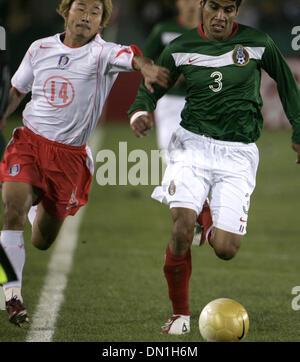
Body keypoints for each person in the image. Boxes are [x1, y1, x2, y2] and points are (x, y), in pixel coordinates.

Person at [128, 0, 300, 335]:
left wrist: (299, 128)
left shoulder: (258, 42)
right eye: (214, 8)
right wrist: (140, 112)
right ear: (204, 6)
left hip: (238, 153)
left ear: (238, 11)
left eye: (229, 10)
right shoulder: (179, 46)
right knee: (181, 228)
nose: (221, 16)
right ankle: (180, 315)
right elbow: (152, 88)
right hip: (191, 145)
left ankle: (210, 223)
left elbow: (288, 85)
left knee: (226, 249)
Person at [0, 0, 170, 327]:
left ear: (102, 22)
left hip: (68, 159)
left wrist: (147, 68)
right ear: (66, 11)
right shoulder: (39, 49)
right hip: (30, 143)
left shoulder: (102, 54)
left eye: (95, 12)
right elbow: (17, 91)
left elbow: (132, 58)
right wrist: (2, 116)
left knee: (41, 239)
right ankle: (11, 293)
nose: (86, 17)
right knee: (10, 211)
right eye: (81, 8)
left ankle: (37, 208)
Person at [143, 0, 201, 162]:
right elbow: (144, 62)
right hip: (169, 101)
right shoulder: (164, 30)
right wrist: (162, 73)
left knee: (198, 160)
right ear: (177, 4)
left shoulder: (213, 34)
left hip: (202, 103)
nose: (190, 4)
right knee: (172, 157)